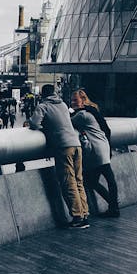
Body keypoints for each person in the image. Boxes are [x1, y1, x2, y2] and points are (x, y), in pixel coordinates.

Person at [30, 84, 89, 229]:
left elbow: (34, 123)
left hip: (63, 146)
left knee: (69, 181)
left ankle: (77, 217)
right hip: (76, 144)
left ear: (43, 95)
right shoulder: (62, 104)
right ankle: (85, 212)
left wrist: (47, 130)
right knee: (78, 180)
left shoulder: (43, 106)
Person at [71, 88, 120, 218]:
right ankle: (114, 205)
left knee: (92, 181)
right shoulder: (92, 111)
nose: (73, 102)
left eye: (75, 100)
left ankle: (113, 206)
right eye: (72, 100)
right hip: (104, 146)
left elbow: (67, 124)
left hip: (96, 150)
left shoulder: (82, 115)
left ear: (83, 100)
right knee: (108, 178)